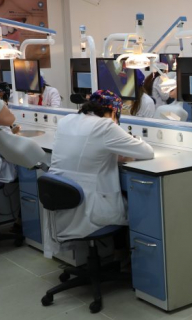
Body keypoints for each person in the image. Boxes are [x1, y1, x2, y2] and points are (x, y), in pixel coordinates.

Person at [44, 90, 154, 254]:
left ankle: (116, 255)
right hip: (90, 206)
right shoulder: (105, 125)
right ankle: (126, 256)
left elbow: (89, 151)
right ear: (113, 112)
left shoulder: (66, 120)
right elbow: (147, 152)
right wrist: (133, 140)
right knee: (140, 207)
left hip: (65, 202)